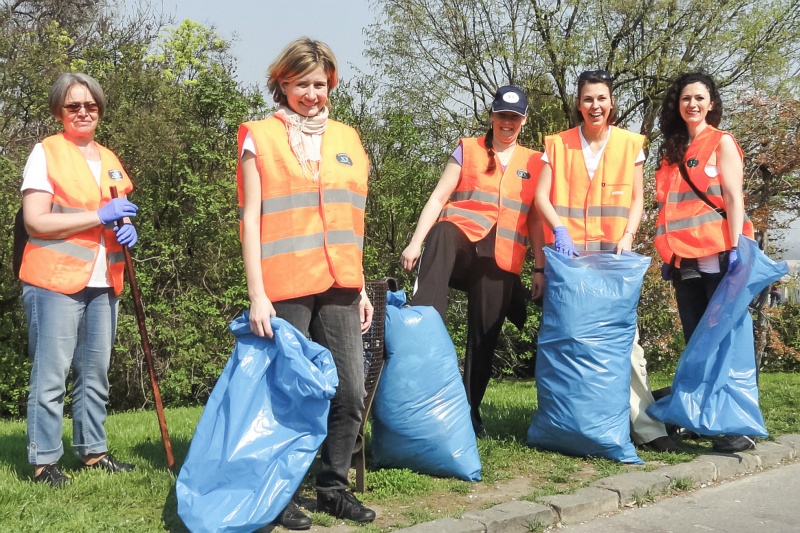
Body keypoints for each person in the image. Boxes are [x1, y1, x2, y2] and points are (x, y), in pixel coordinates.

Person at [237, 38, 375, 530]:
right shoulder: (259, 135)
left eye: (319, 84)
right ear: (282, 83)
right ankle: (282, 495)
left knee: (351, 391)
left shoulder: (349, 137)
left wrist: (358, 285)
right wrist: (257, 293)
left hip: (340, 281)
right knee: (290, 393)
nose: (311, 94)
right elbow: (250, 217)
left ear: (330, 84)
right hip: (285, 285)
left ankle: (333, 488)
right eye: (301, 85)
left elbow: (349, 220)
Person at [534, 70, 676, 453]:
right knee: (569, 341)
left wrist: (628, 236)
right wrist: (559, 231)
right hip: (570, 261)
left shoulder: (631, 144)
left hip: (613, 260)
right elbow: (541, 197)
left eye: (601, 99)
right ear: (578, 105)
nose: (594, 106)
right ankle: (570, 423)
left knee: (625, 344)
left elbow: (636, 200)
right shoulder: (557, 145)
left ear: (611, 102)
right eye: (587, 100)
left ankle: (647, 428)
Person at [400, 85, 545, 437]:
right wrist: (415, 243)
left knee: (485, 334)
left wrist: (540, 267)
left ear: (523, 120)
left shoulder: (535, 161)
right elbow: (439, 198)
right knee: (443, 232)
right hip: (464, 242)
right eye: (501, 115)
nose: (507, 122)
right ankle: (423, 327)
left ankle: (468, 411)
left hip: (502, 256)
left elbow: (537, 220)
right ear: (492, 116)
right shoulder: (468, 149)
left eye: (514, 116)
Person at [19, 72, 139, 487]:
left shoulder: (109, 158)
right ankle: (42, 462)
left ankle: (93, 452)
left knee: (95, 373)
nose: (83, 112)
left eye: (90, 105)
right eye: (73, 106)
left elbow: (117, 211)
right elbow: (36, 221)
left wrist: (125, 229)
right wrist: (97, 217)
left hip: (105, 278)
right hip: (53, 279)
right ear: (59, 111)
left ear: (100, 110)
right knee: (51, 375)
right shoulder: (46, 153)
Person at [654, 71, 756, 454]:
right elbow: (670, 209)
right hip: (686, 262)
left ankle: (738, 424)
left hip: (721, 258)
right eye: (685, 99)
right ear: (677, 106)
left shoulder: (721, 142)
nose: (692, 104)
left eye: (699, 98)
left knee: (726, 342)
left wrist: (735, 249)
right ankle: (707, 418)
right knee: (697, 342)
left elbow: (732, 198)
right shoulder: (672, 151)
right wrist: (672, 255)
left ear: (711, 103)